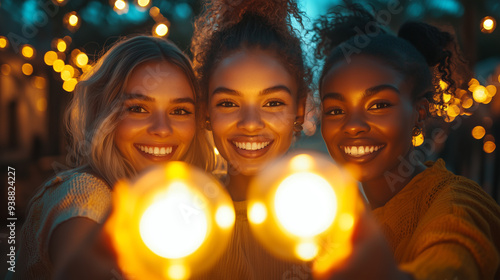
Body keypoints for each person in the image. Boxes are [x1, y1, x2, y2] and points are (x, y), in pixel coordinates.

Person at [313, 3, 500, 279]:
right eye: (336, 110)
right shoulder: (338, 216)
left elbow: (453, 261)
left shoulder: (457, 204)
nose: (352, 126)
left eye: (378, 105)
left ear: (419, 113)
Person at [8, 35, 213, 280]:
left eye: (180, 111)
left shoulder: (184, 204)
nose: (162, 128)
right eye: (138, 108)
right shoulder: (85, 192)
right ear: (103, 113)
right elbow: (80, 263)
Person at [190, 0, 313, 278]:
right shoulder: (183, 216)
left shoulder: (330, 213)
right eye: (228, 103)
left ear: (300, 109)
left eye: (272, 103)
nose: (250, 124)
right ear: (205, 112)